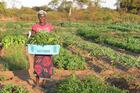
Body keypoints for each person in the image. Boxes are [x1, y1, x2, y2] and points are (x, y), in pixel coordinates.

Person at [28, 10, 54, 88]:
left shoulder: (50, 26)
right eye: (40, 16)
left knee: (47, 68)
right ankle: (37, 84)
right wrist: (30, 35)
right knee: (37, 67)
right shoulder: (35, 26)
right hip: (38, 50)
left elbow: (53, 36)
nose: (42, 18)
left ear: (45, 17)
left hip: (47, 50)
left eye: (43, 16)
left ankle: (44, 83)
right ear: (38, 17)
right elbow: (32, 36)